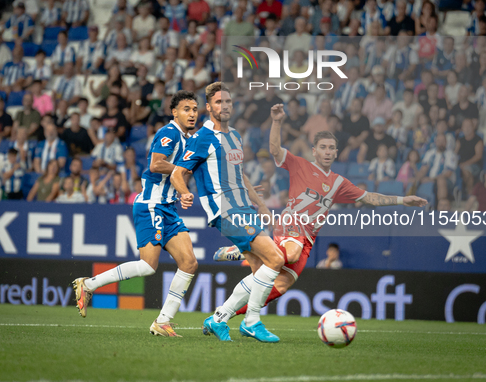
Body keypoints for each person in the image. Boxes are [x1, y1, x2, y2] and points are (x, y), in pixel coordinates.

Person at [214, 104, 427, 320]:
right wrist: (277, 122)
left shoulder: (339, 183)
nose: (327, 151)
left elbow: (370, 197)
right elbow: (275, 150)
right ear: (314, 151)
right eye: (323, 147)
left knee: (280, 285)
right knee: (288, 256)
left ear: (336, 152)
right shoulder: (300, 165)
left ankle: (222, 315)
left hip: (308, 238)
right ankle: (248, 250)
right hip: (291, 223)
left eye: (331, 148)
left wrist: (403, 200)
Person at [73, 91, 200, 338]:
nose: (192, 113)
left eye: (195, 109)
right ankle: (88, 284)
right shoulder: (169, 132)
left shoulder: (188, 139)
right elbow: (156, 164)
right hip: (151, 204)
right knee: (147, 265)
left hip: (168, 208)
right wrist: (183, 170)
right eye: (186, 109)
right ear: (175, 112)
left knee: (189, 263)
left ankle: (163, 322)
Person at [171, 83, 285, 343]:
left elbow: (241, 175)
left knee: (259, 268)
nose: (225, 106)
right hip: (225, 208)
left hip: (244, 207)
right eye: (219, 102)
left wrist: (262, 204)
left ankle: (219, 318)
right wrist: (184, 192)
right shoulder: (202, 137)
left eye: (229, 102)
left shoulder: (234, 135)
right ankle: (252, 321)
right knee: (276, 260)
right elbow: (179, 172)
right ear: (209, 107)